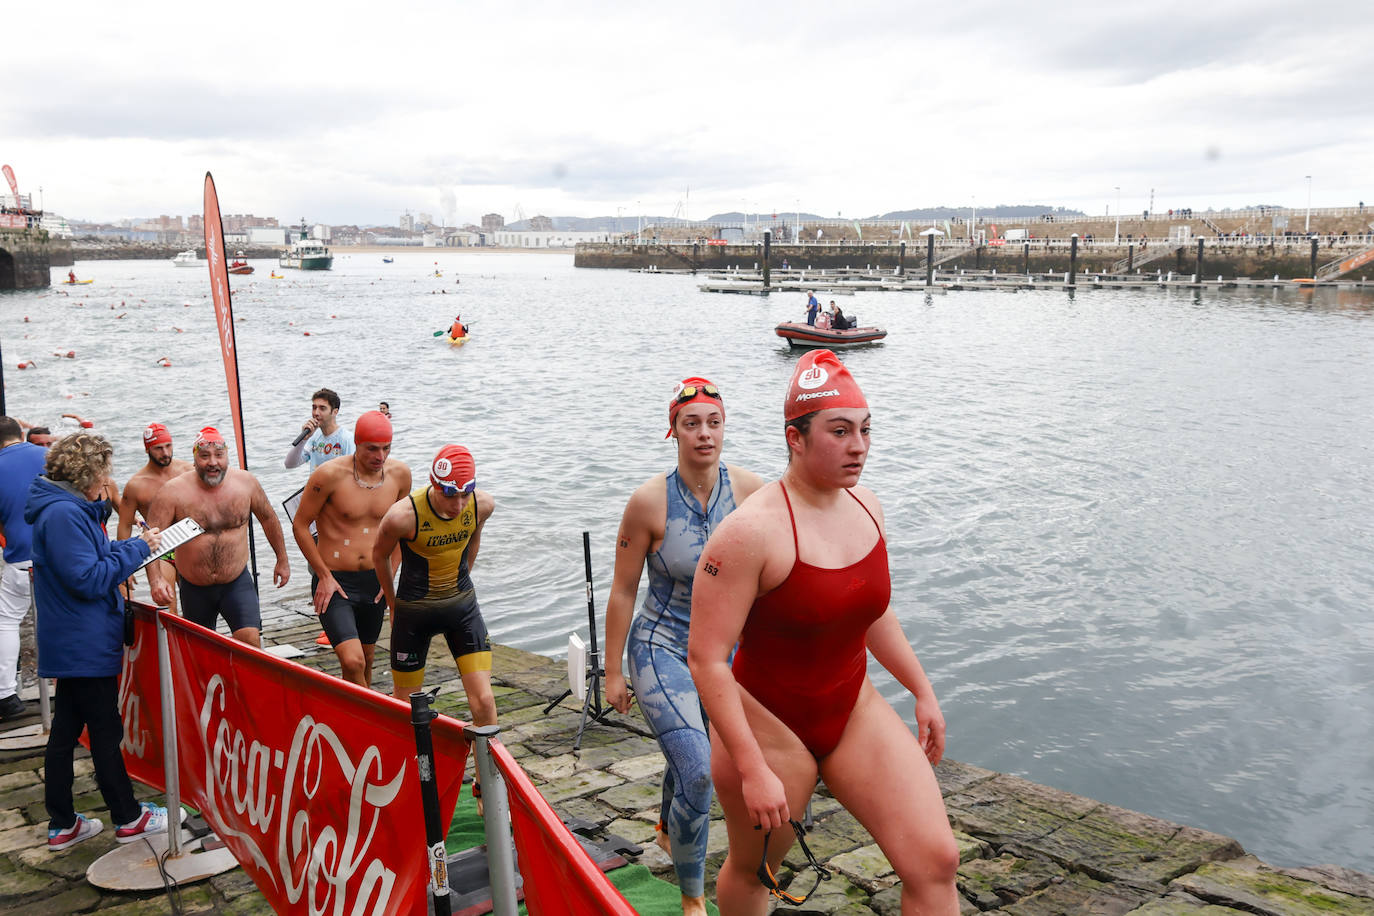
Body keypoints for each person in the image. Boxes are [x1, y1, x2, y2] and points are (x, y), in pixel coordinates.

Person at [688, 350, 960, 915]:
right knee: (756, 871)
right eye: (839, 431)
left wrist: (921, 689)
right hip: (769, 725)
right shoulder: (748, 534)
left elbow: (870, 610)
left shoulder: (867, 506)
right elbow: (707, 659)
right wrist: (751, 767)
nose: (859, 446)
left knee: (936, 863)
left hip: (850, 705)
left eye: (865, 430)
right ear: (796, 438)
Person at [603, 378, 763, 915]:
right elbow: (624, 590)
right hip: (662, 644)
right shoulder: (649, 503)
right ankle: (692, 900)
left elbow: (790, 553)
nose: (704, 434)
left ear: (724, 428)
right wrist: (613, 671)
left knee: (708, 755)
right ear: (672, 430)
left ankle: (669, 826)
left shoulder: (750, 493)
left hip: (724, 653)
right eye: (691, 424)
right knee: (699, 768)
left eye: (713, 423)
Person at [26, 431, 175, 850]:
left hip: (73, 636)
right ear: (88, 475)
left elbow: (87, 559)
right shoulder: (62, 515)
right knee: (106, 730)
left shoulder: (69, 509)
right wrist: (136, 550)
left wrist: (124, 543)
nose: (108, 483)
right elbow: (88, 579)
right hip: (82, 639)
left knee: (67, 730)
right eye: (104, 475)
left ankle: (62, 822)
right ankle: (128, 817)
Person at [373, 446, 494, 800]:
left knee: (484, 702)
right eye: (449, 494)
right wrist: (392, 604)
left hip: (462, 609)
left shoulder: (481, 505)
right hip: (413, 615)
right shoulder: (402, 516)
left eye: (465, 493)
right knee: (404, 709)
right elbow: (378, 556)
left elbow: (473, 539)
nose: (458, 505)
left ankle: (486, 788)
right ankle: (406, 789)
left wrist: (462, 579)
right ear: (434, 484)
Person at [292, 411, 411, 688]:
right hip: (336, 581)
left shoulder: (400, 475)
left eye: (386, 448)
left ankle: (358, 723)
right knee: (352, 661)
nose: (380, 456)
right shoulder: (329, 475)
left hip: (375, 581)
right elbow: (300, 525)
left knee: (367, 662)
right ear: (356, 443)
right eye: (372, 448)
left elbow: (404, 530)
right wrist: (323, 576)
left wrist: (390, 575)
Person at [146, 427, 291, 647]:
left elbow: (268, 519)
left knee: (250, 641)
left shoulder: (246, 483)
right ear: (194, 459)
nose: (212, 462)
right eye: (204, 456)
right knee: (199, 649)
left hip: (236, 582)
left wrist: (282, 559)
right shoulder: (172, 492)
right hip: (194, 586)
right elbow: (151, 539)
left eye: (219, 455)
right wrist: (156, 580)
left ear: (227, 457)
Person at [0, 416, 48, 720]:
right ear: (21, 435)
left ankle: (5, 695)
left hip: (20, 557)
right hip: (58, 553)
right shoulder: (47, 456)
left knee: (7, 620)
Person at [116, 423, 191, 610]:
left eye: (168, 446)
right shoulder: (136, 485)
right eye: (158, 448)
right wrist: (125, 567)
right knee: (167, 605)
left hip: (189, 544)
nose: (165, 453)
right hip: (161, 548)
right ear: (147, 449)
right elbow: (125, 524)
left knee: (196, 609)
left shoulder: (188, 471)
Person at [284, 388, 353, 470]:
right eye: (314, 408)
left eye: (322, 408)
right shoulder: (314, 437)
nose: (316, 413)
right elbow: (289, 464)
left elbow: (354, 472)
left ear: (335, 412)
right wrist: (303, 440)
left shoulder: (347, 439)